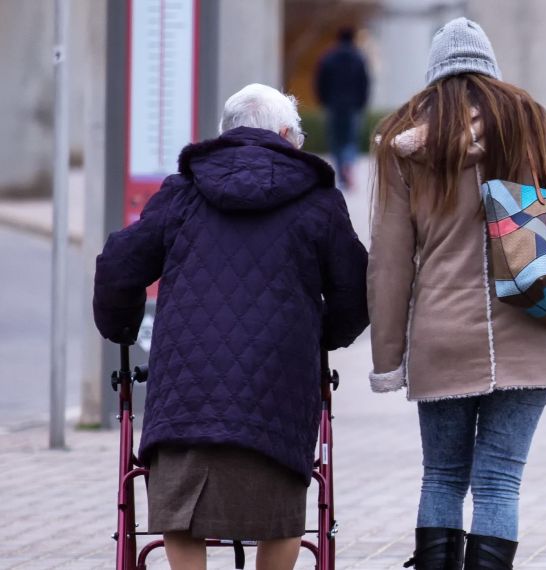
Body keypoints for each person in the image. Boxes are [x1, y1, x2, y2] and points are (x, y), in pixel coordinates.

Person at [93, 83, 369, 570]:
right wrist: (319, 336)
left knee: (180, 510)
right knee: (281, 514)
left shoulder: (182, 191)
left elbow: (119, 264)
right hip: (278, 389)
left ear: (226, 133)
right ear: (285, 134)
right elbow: (355, 291)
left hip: (186, 388)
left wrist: (123, 327)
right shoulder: (318, 199)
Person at [368, 17, 546, 570]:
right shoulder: (529, 121)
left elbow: (389, 261)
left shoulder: (402, 140)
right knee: (499, 481)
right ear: (490, 67)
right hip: (530, 325)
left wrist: (387, 360)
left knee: (442, 477)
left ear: (434, 74)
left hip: (442, 334)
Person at [316, 27, 371, 189]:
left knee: (336, 141)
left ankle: (341, 174)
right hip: (353, 106)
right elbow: (365, 83)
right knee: (350, 139)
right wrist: (362, 102)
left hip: (333, 105)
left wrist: (324, 101)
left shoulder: (328, 57)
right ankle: (349, 164)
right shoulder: (358, 58)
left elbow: (320, 82)